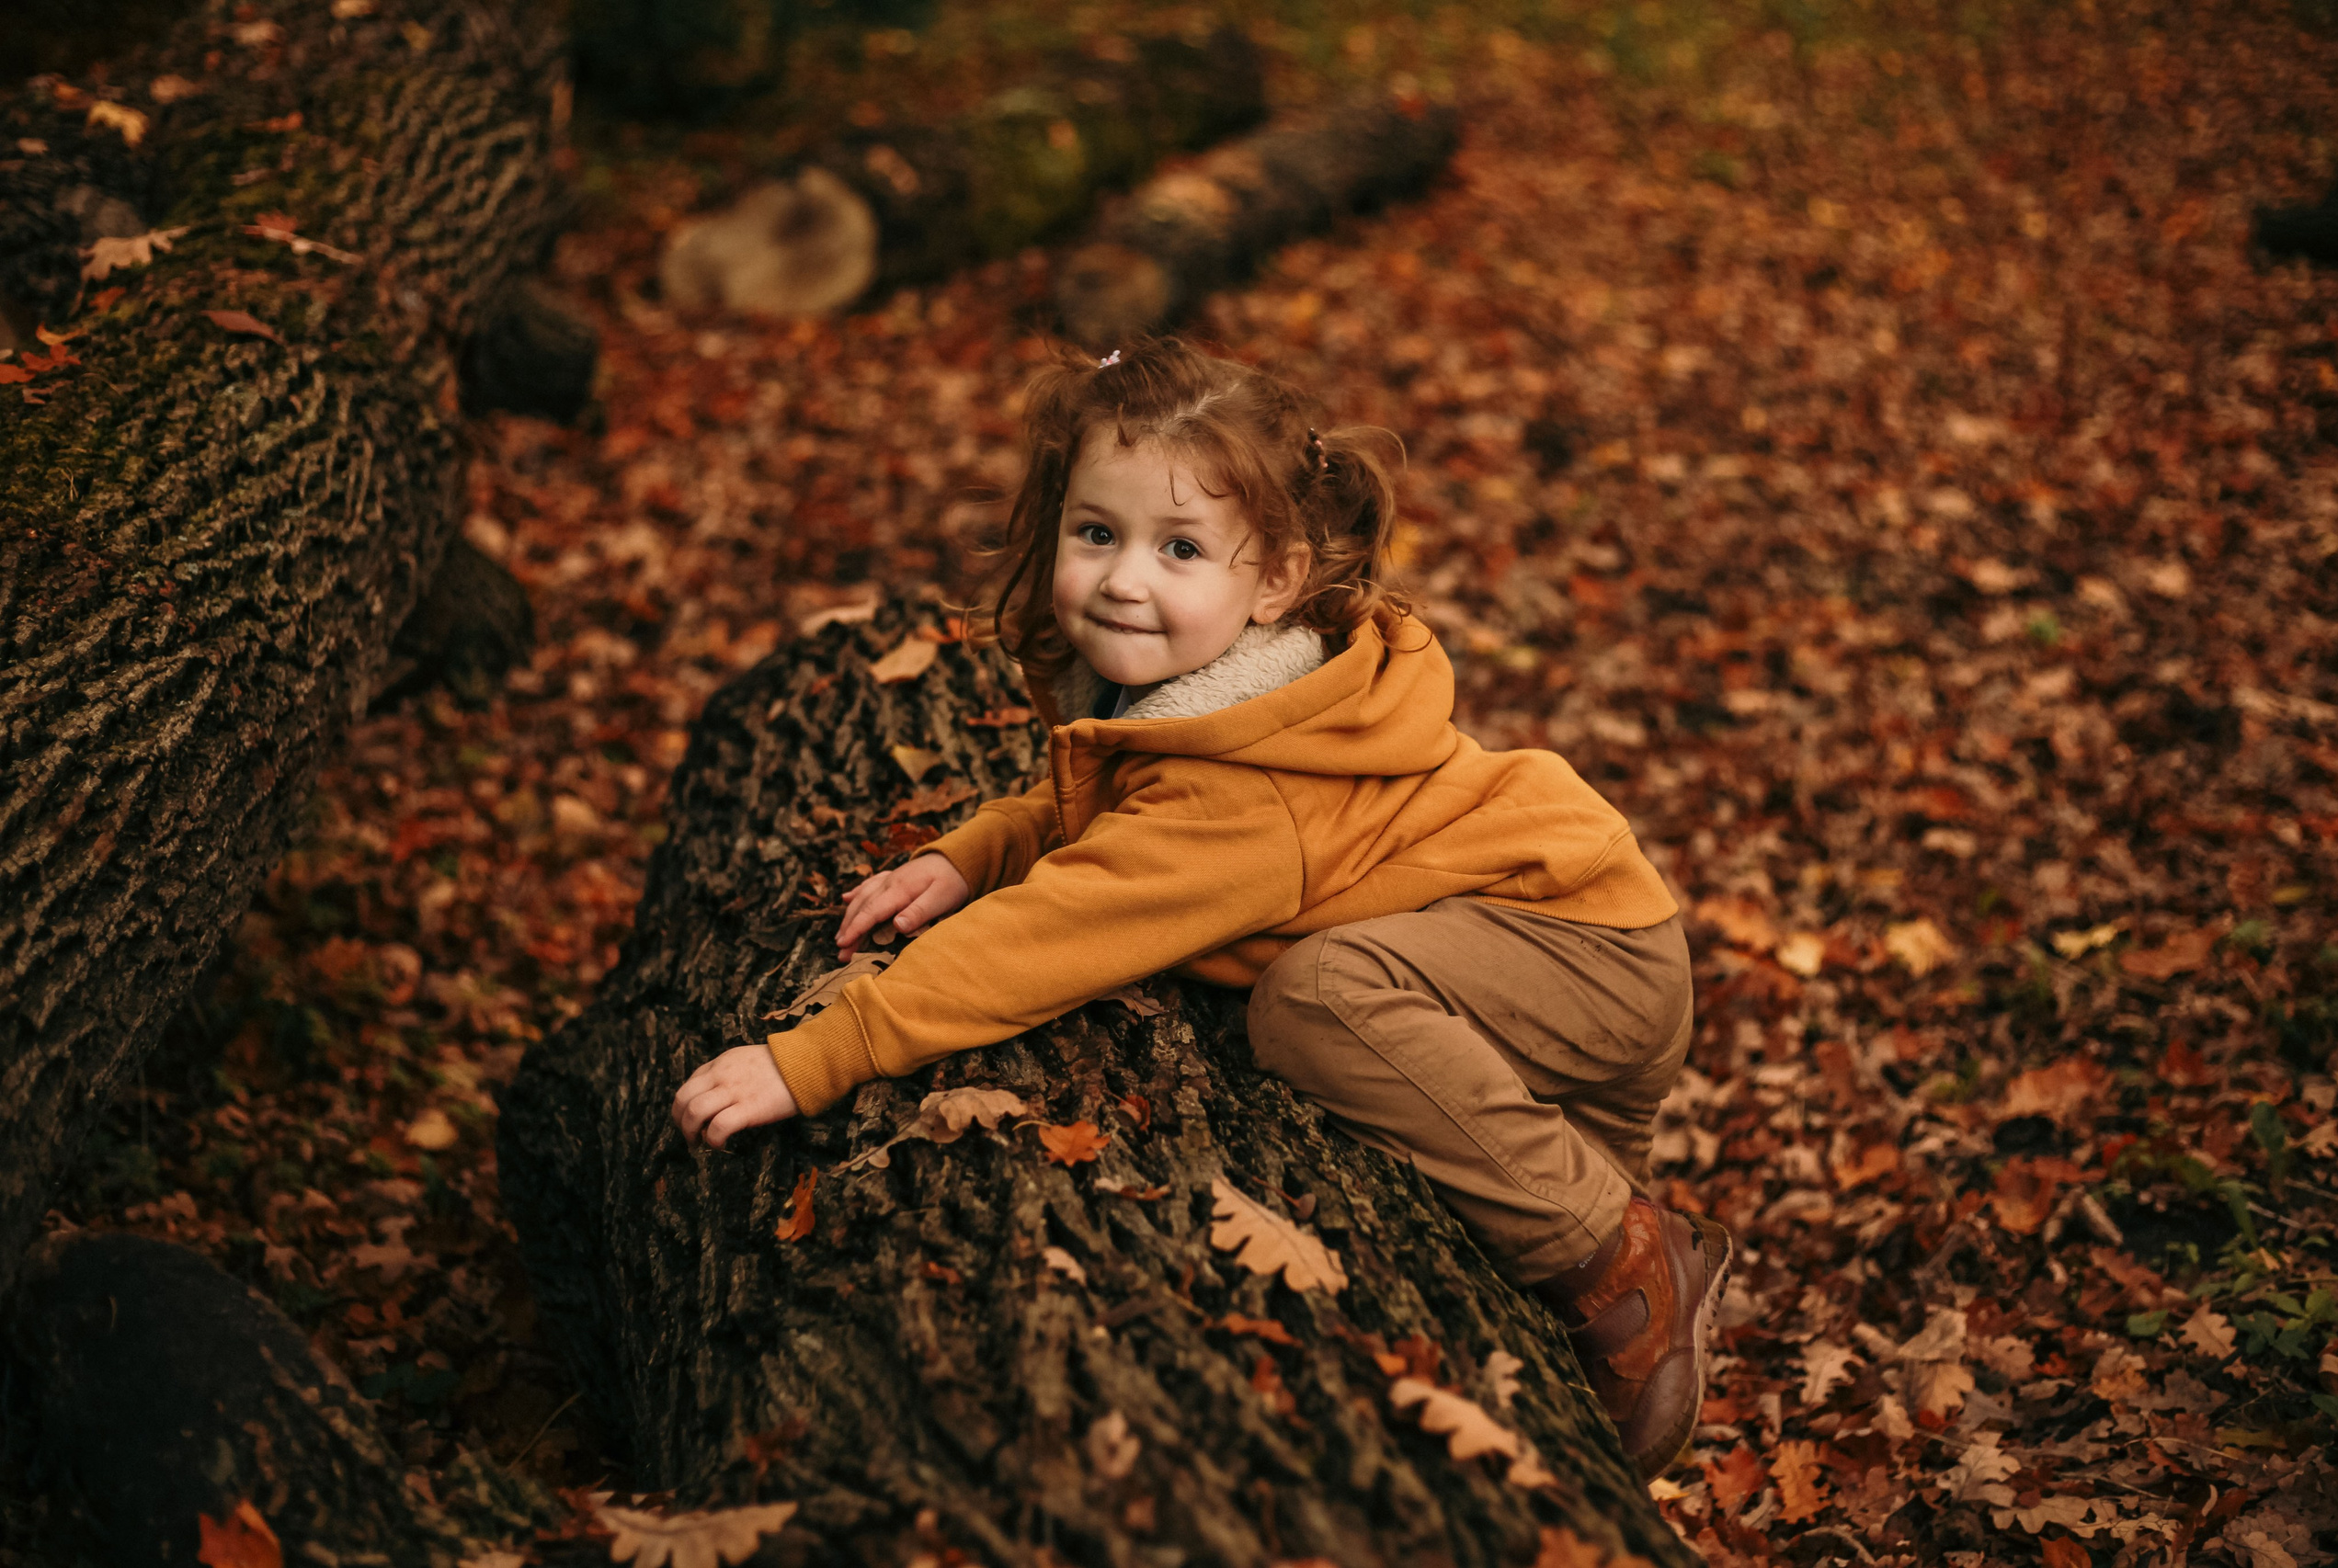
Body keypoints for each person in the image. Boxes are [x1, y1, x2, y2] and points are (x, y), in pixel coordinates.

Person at [670, 337, 1728, 1480]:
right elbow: (1109, 807)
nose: (1126, 577)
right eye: (1096, 534)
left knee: (1313, 1000)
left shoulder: (1245, 784)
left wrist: (824, 1052)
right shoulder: (1219, 691)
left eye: (1179, 547)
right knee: (1475, 1183)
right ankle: (1590, 1207)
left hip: (1574, 944)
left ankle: (1623, 1252)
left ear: (1271, 580)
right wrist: (984, 847)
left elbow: (1061, 928)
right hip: (1533, 938)